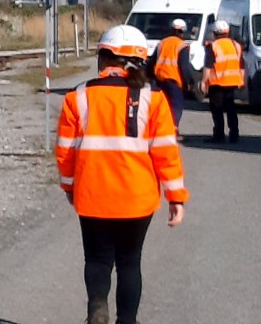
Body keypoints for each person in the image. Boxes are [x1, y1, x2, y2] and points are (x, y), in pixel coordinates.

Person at [56, 25, 187, 324]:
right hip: (137, 200)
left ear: (103, 58)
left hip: (92, 195)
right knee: (130, 262)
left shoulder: (77, 98)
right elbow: (166, 153)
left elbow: (65, 151)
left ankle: (97, 311)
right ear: (140, 61)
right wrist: (175, 197)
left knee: (98, 260)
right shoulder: (154, 101)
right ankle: (127, 321)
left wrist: (69, 187)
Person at [202, 19, 244, 144]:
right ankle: (234, 135)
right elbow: (242, 65)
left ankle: (219, 135)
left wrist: (204, 82)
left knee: (217, 110)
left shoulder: (213, 46)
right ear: (227, 32)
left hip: (217, 83)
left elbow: (208, 66)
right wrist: (242, 81)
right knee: (231, 109)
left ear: (214, 33)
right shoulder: (236, 45)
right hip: (232, 82)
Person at [152, 19, 188, 134]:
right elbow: (184, 67)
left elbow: (152, 62)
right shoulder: (182, 45)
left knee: (162, 106)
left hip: (159, 80)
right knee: (176, 106)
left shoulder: (162, 43)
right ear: (183, 31)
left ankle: (160, 129)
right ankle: (172, 129)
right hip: (174, 81)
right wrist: (189, 83)